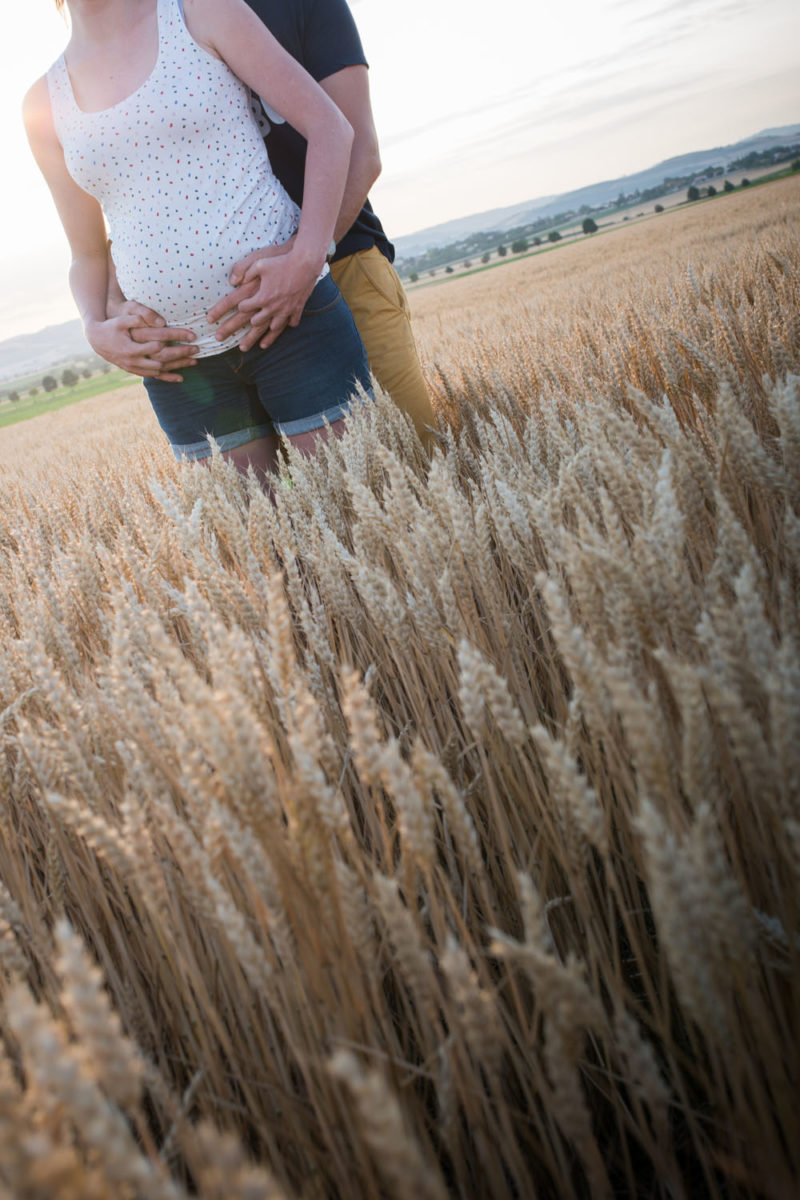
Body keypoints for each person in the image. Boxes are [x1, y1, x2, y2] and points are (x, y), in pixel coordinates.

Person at [24, 0, 373, 479]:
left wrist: (307, 257)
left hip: (291, 322)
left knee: (358, 520)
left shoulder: (203, 13)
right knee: (261, 549)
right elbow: (85, 253)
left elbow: (331, 127)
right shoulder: (43, 102)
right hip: (177, 366)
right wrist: (93, 326)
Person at [113, 0, 437, 449]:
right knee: (301, 506)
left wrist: (304, 259)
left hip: (342, 263)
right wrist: (106, 311)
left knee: (414, 453)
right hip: (229, 320)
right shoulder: (150, 26)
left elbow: (361, 151)